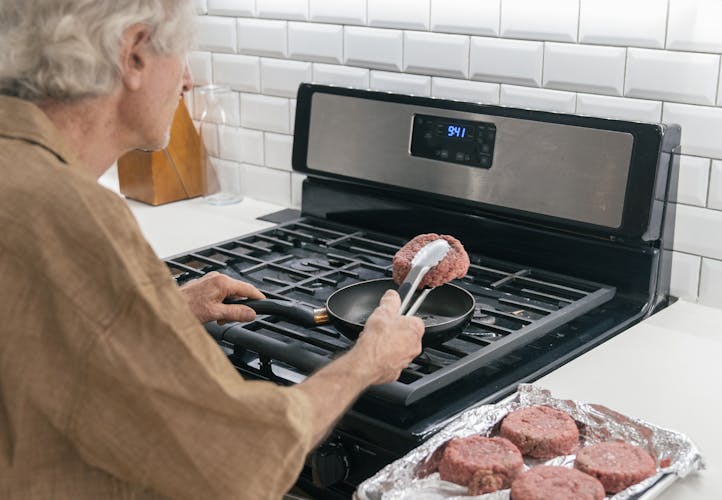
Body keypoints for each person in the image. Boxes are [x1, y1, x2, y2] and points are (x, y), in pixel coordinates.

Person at [0, 1, 425, 499]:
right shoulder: (67, 214)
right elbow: (234, 464)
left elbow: (34, 344)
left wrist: (157, 313)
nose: (187, 82)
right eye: (182, 57)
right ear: (134, 53)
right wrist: (366, 361)